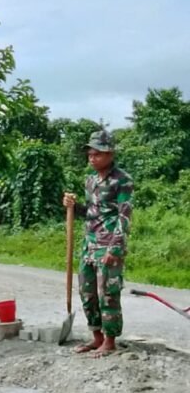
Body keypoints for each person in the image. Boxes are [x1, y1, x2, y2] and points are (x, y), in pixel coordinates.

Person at [63, 129, 134, 358]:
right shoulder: (90, 181)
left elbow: (124, 215)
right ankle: (97, 337)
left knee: (108, 293)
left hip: (109, 244)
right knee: (87, 291)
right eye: (90, 154)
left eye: (97, 154)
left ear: (110, 154)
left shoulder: (122, 180)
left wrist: (115, 247)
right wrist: (73, 207)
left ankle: (110, 340)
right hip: (89, 244)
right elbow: (91, 213)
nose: (92, 158)